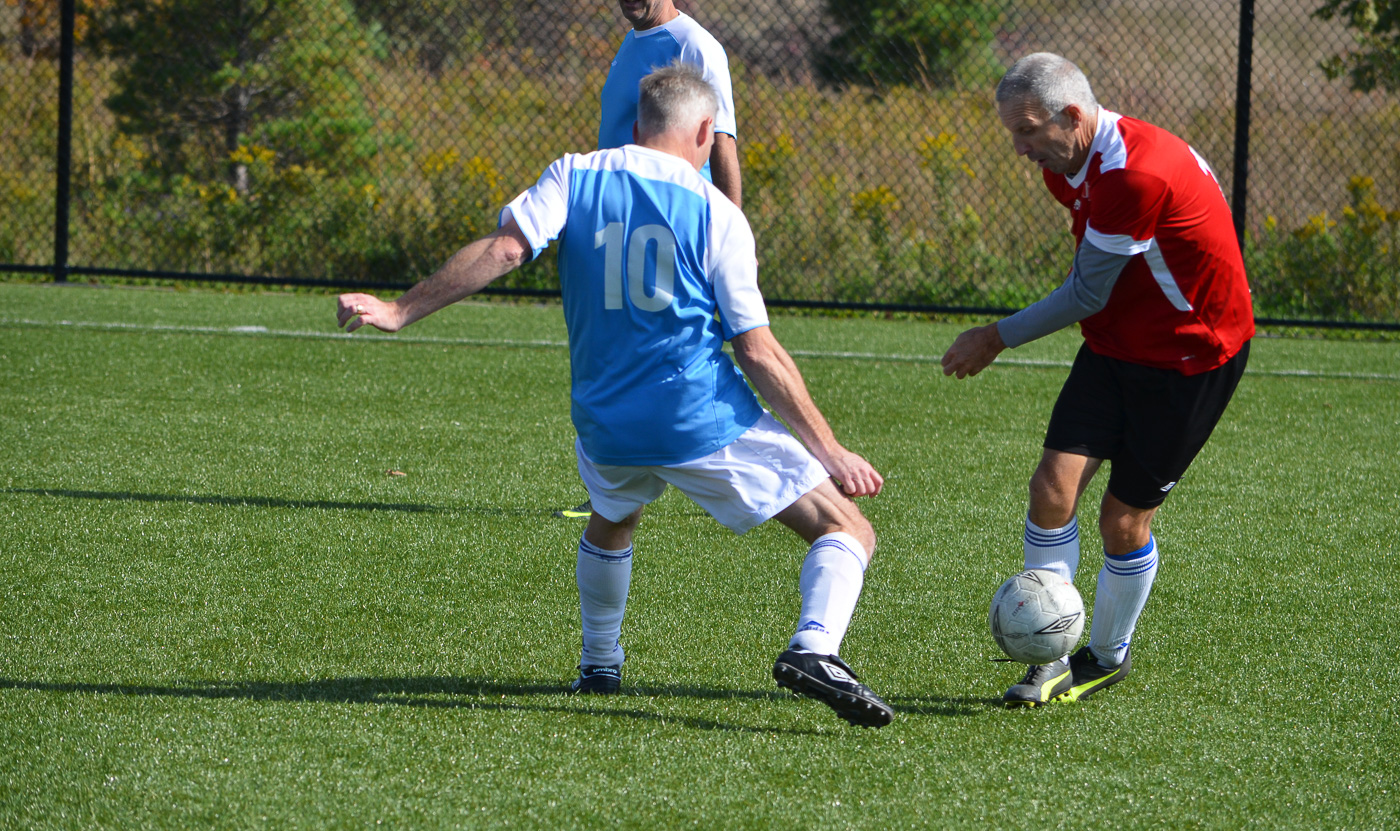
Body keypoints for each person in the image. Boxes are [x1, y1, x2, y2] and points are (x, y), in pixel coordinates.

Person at [336, 63, 893, 728]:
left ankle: (599, 661)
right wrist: (830, 449)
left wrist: (399, 309)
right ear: (706, 132)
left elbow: (507, 250)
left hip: (604, 422)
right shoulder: (718, 213)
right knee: (847, 528)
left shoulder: (574, 174)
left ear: (636, 124)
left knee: (614, 516)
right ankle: (814, 648)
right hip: (697, 419)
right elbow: (757, 350)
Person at [941, 53, 1254, 708]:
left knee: (1122, 521)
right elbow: (1097, 272)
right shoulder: (1069, 163)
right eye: (1013, 132)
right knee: (1051, 489)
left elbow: (1086, 290)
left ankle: (1108, 655)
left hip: (1189, 358)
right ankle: (1050, 655)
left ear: (1073, 115)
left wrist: (994, 336)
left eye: (1028, 131)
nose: (1020, 148)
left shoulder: (1134, 173)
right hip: (1115, 347)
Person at [557, 0, 745, 520]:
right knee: (618, 354)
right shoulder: (631, 42)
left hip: (667, 229)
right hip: (618, 226)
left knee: (677, 353)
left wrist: (733, 240)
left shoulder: (696, 46)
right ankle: (615, 488)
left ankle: (714, 468)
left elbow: (722, 146)